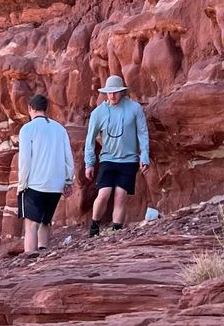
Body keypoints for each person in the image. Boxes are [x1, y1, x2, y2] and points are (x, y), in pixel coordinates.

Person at [83, 74, 149, 237]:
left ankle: (117, 231)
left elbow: (142, 132)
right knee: (103, 194)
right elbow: (90, 139)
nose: (112, 95)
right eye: (109, 92)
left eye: (115, 92)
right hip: (107, 159)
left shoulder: (134, 108)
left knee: (120, 196)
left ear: (122, 92)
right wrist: (89, 163)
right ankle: (94, 226)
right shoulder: (98, 113)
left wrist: (144, 155)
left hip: (129, 160)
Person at [15, 92, 73, 255]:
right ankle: (44, 254)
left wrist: (22, 184)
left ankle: (30, 259)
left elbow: (25, 160)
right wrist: (69, 180)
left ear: (30, 108)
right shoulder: (59, 129)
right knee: (45, 222)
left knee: (31, 225)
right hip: (56, 185)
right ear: (45, 108)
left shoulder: (27, 129)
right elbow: (68, 156)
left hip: (35, 184)